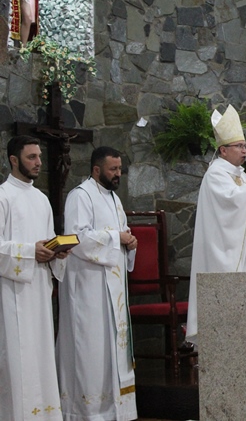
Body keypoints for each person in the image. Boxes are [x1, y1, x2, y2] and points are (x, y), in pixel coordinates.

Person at [56, 146, 138, 421]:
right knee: (89, 350)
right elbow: (76, 238)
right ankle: (86, 412)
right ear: (96, 169)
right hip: (87, 288)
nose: (118, 174)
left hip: (110, 288)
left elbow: (121, 233)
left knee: (110, 351)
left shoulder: (113, 199)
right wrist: (118, 238)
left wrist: (129, 242)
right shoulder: (81, 196)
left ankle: (114, 410)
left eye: (119, 169)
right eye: (113, 169)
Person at [186, 105, 246, 342]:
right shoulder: (216, 174)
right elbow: (235, 204)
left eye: (245, 145)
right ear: (223, 150)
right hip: (225, 255)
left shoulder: (237, 174)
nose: (245, 151)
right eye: (239, 146)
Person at [0, 136, 68, 421]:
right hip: (13, 291)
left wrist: (56, 252)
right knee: (18, 356)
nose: (39, 162)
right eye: (31, 157)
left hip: (39, 289)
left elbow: (47, 240)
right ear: (14, 160)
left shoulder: (41, 200)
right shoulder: (3, 196)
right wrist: (30, 251)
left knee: (40, 356)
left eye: (39, 156)